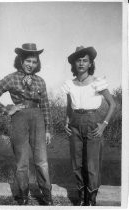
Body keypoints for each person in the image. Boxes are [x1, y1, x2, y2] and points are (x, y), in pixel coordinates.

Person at [0, 43, 53, 205]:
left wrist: (48, 129)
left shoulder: (40, 81)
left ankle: (47, 195)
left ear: (38, 64)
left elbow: (45, 106)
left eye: (34, 62)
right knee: (22, 162)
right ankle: (23, 195)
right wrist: (7, 109)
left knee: (41, 161)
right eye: (28, 61)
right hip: (19, 119)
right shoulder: (11, 78)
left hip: (38, 119)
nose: (31, 65)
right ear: (21, 60)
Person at [61, 46, 116, 206]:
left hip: (93, 122)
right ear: (74, 64)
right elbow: (69, 105)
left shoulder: (97, 82)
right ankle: (81, 197)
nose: (81, 63)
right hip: (75, 124)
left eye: (85, 60)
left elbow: (112, 104)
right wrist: (66, 122)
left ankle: (91, 200)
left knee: (92, 164)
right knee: (76, 163)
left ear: (90, 63)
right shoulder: (69, 84)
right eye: (78, 60)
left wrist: (103, 125)